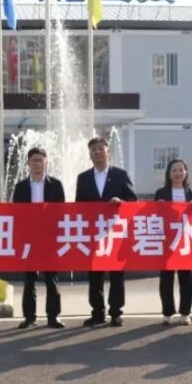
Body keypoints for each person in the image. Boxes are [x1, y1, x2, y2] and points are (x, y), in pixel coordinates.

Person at [75, 136, 137, 327]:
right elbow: (78, 206)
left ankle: (116, 312)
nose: (97, 152)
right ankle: (97, 313)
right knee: (95, 275)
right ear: (90, 155)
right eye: (93, 150)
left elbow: (133, 201)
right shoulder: (83, 178)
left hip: (115, 232)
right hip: (93, 233)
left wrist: (121, 202)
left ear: (108, 152)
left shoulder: (120, 175)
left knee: (117, 274)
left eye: (100, 149)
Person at [12, 147, 65, 329]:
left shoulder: (55, 185)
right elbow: (16, 213)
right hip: (28, 238)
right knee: (29, 280)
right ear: (28, 163)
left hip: (49, 238)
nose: (37, 164)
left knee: (51, 279)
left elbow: (61, 212)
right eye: (33, 160)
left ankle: (53, 317)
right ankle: (29, 317)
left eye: (40, 160)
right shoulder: (20, 187)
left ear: (46, 162)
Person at [154, 158, 192, 325]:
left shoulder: (191, 194)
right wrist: (158, 206)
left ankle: (185, 313)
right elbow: (154, 216)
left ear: (185, 173)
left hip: (185, 240)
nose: (178, 173)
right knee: (166, 278)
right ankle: (167, 312)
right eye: (174, 170)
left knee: (186, 278)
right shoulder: (161, 193)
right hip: (167, 240)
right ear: (169, 174)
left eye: (181, 170)